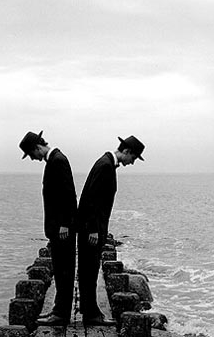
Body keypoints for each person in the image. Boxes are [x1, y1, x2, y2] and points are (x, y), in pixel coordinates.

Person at [76, 135, 145, 325]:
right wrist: (92, 229)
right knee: (89, 270)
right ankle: (91, 315)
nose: (132, 163)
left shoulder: (105, 162)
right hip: (92, 229)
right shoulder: (105, 165)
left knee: (88, 269)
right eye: (133, 158)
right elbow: (91, 198)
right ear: (127, 152)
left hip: (92, 227)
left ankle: (88, 309)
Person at [19, 130, 77, 326]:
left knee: (64, 271)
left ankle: (61, 314)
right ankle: (58, 310)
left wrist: (64, 224)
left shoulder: (58, 160)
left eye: (31, 154)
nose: (33, 159)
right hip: (58, 228)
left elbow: (69, 195)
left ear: (37, 148)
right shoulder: (54, 160)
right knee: (60, 270)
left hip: (63, 229)